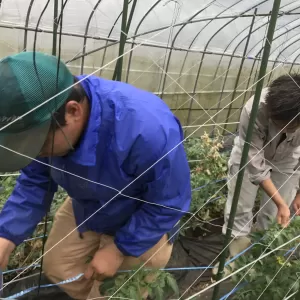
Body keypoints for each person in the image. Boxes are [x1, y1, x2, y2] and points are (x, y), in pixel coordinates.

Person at [0, 51, 191, 299]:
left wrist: (119, 249)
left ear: (73, 111)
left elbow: (168, 202)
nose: (35, 151)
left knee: (114, 293)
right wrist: (6, 235)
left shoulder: (148, 130)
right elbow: (36, 180)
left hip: (142, 213)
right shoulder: (43, 113)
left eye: (38, 144)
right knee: (58, 269)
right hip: (86, 203)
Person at [223, 74, 300, 258]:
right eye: (279, 124)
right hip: (250, 155)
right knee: (240, 207)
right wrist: (282, 203)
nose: (282, 129)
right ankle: (237, 259)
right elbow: (255, 163)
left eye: (289, 127)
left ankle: (261, 256)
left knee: (274, 214)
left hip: (288, 158)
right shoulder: (254, 109)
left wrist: (298, 193)